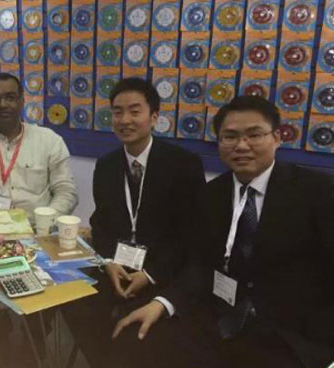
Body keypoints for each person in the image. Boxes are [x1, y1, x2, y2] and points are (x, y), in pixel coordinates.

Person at [111, 96, 334, 368]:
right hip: (220, 317)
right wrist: (162, 302)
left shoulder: (317, 191)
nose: (242, 145)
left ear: (276, 138)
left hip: (292, 333)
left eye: (254, 135)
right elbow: (200, 264)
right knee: (136, 337)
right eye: (230, 136)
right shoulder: (211, 194)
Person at [62, 77, 205, 368]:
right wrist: (108, 262)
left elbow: (190, 235)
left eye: (135, 111)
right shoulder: (106, 165)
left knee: (139, 336)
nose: (125, 120)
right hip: (117, 266)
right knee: (72, 305)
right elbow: (101, 222)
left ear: (154, 117)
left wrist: (150, 275)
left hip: (163, 271)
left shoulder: (183, 164)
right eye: (117, 112)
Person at [0, 72, 78, 219]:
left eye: (10, 98)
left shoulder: (50, 141)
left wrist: (46, 221)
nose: (3, 105)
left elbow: (66, 191)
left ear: (21, 102)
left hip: (36, 227)